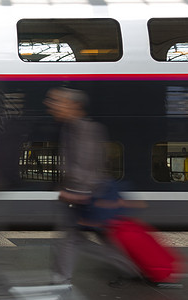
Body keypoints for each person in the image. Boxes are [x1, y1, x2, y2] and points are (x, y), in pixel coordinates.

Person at [44, 87, 142, 287]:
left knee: (75, 238)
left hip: (87, 197)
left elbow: (88, 166)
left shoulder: (86, 130)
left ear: (74, 106)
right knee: (81, 237)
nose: (51, 105)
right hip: (85, 196)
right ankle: (130, 269)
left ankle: (61, 279)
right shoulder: (69, 127)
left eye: (57, 101)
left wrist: (76, 194)